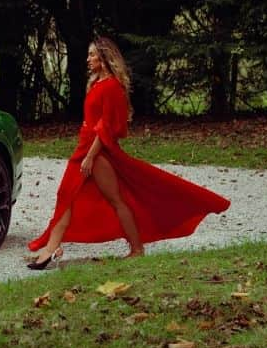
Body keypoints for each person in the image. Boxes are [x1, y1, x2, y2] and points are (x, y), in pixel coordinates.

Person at [27, 36, 230, 268]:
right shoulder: (96, 83)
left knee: (115, 200)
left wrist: (92, 156)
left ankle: (137, 248)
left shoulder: (112, 86)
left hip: (98, 151)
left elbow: (107, 126)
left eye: (92, 54)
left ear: (104, 58)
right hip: (84, 147)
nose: (88, 59)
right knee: (66, 196)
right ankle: (52, 248)